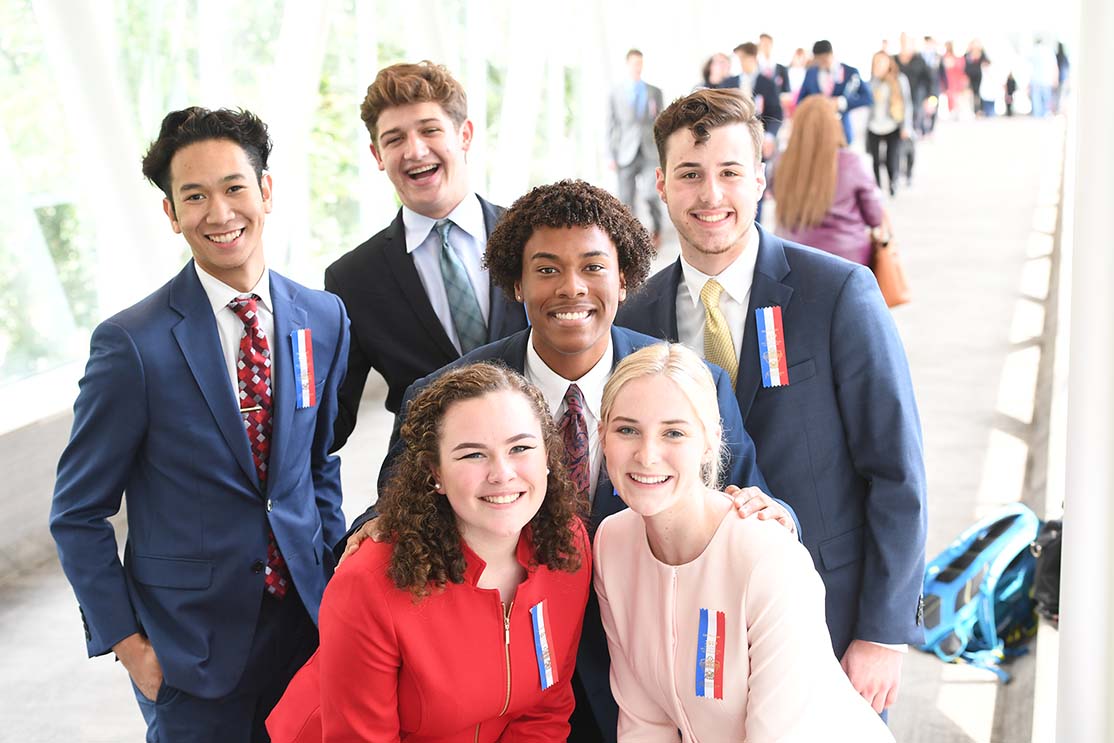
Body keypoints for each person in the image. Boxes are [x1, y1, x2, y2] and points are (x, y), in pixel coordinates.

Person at [340, 179, 796, 742]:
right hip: (503, 694)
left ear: (624, 276)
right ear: (516, 283)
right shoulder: (446, 396)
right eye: (548, 269)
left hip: (649, 687)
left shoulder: (688, 384)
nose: (571, 288)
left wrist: (772, 517)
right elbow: (392, 514)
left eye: (593, 267)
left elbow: (748, 503)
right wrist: (372, 529)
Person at [615, 88, 928, 716]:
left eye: (730, 173)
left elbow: (896, 469)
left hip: (828, 621)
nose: (711, 196)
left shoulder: (836, 292)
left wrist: (882, 631)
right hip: (694, 637)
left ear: (759, 178)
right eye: (691, 175)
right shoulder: (637, 316)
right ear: (661, 183)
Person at [48, 107, 351, 742]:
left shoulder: (322, 318)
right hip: (189, 652)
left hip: (308, 628)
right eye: (195, 196)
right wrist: (130, 647)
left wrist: (331, 580)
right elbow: (78, 512)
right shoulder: (133, 345)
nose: (220, 213)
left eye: (235, 187)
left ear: (265, 191)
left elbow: (317, 463)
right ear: (171, 214)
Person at [267, 364, 591, 741]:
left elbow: (545, 711)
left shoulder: (566, 546)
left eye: (520, 448)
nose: (502, 473)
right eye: (473, 455)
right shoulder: (369, 583)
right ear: (434, 472)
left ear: (548, 457)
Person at [595, 343, 894, 741]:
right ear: (603, 434)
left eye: (674, 432)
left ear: (710, 440)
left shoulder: (767, 558)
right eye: (627, 430)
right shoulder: (611, 543)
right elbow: (643, 722)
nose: (647, 455)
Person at [325, 61, 528, 436]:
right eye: (394, 139)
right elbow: (332, 419)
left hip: (542, 469)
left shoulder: (531, 236)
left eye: (430, 130)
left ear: (464, 135)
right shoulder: (352, 278)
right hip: (424, 482)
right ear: (377, 155)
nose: (415, 151)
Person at [775, 96, 886, 264]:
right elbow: (875, 216)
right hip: (848, 260)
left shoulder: (782, 163)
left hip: (792, 256)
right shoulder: (851, 162)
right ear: (834, 125)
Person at [608, 49, 665, 244]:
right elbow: (610, 125)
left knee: (651, 193)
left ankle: (657, 228)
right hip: (625, 152)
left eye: (640, 63)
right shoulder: (616, 93)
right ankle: (631, 238)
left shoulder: (654, 92)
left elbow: (662, 123)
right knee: (626, 199)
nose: (637, 67)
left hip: (650, 151)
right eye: (634, 63)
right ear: (627, 65)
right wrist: (610, 155)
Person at [797, 39, 873, 144]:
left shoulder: (850, 72)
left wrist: (842, 102)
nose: (821, 64)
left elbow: (867, 98)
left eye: (824, 59)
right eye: (818, 60)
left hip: (841, 131)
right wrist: (816, 103)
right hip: (817, 131)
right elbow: (800, 100)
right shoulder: (811, 73)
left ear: (832, 55)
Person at [867, 51, 914, 196]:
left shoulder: (899, 80)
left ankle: (893, 184)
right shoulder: (871, 82)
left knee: (891, 157)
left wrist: (906, 126)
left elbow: (907, 104)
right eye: (876, 63)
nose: (879, 66)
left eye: (882, 62)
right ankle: (878, 188)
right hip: (874, 125)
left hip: (893, 124)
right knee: (875, 159)